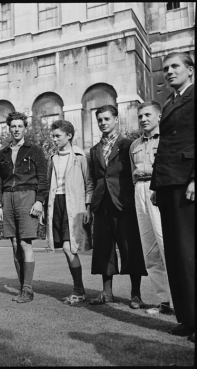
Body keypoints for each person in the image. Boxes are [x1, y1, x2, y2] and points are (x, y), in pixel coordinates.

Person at [150, 52, 195, 342]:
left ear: (190, 70)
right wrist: (155, 186)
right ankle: (187, 319)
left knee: (189, 253)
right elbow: (164, 146)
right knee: (176, 255)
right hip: (167, 183)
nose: (168, 72)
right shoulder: (169, 104)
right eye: (165, 69)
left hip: (186, 182)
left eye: (175, 66)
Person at [87, 105, 148, 308]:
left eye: (106, 119)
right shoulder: (94, 150)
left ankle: (136, 295)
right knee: (104, 249)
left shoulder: (129, 145)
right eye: (100, 120)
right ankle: (106, 293)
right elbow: (94, 179)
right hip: (101, 203)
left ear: (116, 120)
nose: (103, 123)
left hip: (124, 203)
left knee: (130, 247)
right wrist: (90, 205)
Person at [0, 111, 49, 303]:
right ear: (9, 128)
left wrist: (39, 201)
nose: (16, 129)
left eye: (20, 126)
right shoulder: (2, 154)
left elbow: (43, 178)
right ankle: (22, 287)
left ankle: (28, 289)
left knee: (26, 242)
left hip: (28, 196)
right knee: (14, 243)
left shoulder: (35, 150)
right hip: (7, 198)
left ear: (25, 128)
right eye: (13, 126)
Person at [129, 101, 173, 315]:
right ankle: (164, 301)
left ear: (158, 116)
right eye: (140, 116)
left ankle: (181, 300)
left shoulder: (167, 138)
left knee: (167, 244)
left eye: (148, 115)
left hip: (160, 189)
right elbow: (132, 173)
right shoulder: (134, 145)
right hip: (140, 190)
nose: (143, 119)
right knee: (150, 250)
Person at [45, 120, 92, 305]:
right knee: (65, 247)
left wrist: (88, 207)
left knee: (68, 247)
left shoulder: (81, 156)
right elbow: (49, 184)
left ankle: (79, 291)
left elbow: (89, 183)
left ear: (69, 136)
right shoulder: (52, 158)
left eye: (58, 136)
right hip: (56, 204)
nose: (54, 139)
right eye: (53, 136)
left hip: (74, 205)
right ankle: (79, 291)